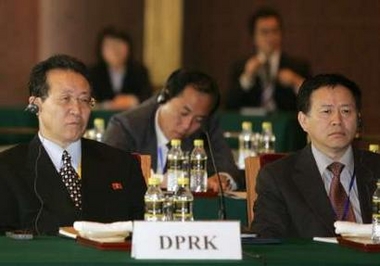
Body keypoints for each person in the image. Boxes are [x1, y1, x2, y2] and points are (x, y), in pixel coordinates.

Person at [0, 54, 146, 235]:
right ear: (36, 105)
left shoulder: (122, 164)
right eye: (65, 99)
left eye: (84, 100)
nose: (77, 110)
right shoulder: (7, 169)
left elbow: (143, 233)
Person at [251, 74, 380, 238]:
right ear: (303, 120)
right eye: (326, 111)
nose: (337, 120)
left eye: (346, 111)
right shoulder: (278, 177)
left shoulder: (376, 167)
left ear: (358, 119)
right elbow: (267, 239)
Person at [104, 69, 242, 191]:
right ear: (164, 97)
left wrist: (222, 178)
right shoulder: (126, 126)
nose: (187, 125)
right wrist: (161, 181)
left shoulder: (206, 126)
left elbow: (230, 169)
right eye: (183, 113)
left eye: (198, 119)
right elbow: (109, 175)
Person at [226, 7, 311, 111]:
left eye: (275, 31)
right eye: (264, 32)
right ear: (254, 37)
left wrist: (296, 81)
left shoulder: (297, 66)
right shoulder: (241, 67)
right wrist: (247, 78)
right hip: (251, 124)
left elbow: (312, 102)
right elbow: (229, 105)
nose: (270, 37)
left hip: (287, 124)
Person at [90, 26, 152, 109]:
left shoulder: (139, 71)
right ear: (101, 50)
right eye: (109, 45)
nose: (115, 50)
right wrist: (104, 105)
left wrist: (132, 100)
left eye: (119, 44)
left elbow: (148, 99)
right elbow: (89, 101)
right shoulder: (92, 73)